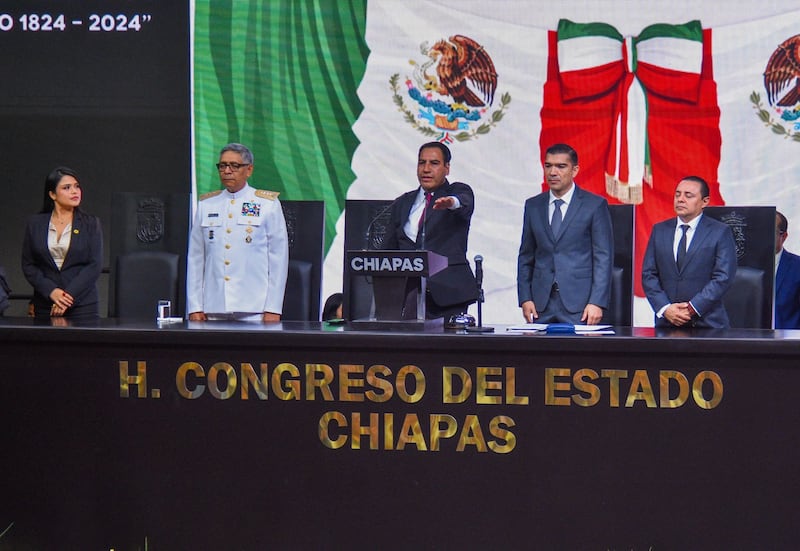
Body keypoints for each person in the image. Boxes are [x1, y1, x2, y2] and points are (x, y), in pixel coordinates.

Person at [187, 143, 289, 322]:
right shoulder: (207, 204)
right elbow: (196, 259)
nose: (227, 171)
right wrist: (195, 306)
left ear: (248, 170)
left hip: (254, 309)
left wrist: (273, 308)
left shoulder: (267, 204)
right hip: (213, 307)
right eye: (222, 166)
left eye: (234, 166)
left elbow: (278, 260)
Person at [516, 143, 613, 325]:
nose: (553, 172)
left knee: (578, 353)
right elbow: (526, 255)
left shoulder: (594, 205)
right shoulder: (533, 206)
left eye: (561, 166)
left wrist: (597, 302)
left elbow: (603, 257)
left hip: (581, 305)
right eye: (548, 166)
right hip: (540, 304)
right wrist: (525, 298)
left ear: (574, 170)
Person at [380, 142, 477, 320]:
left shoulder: (457, 191)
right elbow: (389, 247)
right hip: (408, 295)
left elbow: (464, 201)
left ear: (447, 168)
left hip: (448, 294)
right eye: (421, 162)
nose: (426, 169)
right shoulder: (402, 202)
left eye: (434, 163)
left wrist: (451, 202)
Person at [642, 176, 737, 328]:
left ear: (704, 202)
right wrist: (665, 308)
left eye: (688, 195)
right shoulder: (660, 230)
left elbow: (723, 277)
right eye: (677, 194)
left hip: (708, 324)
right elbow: (649, 275)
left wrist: (692, 308)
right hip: (667, 323)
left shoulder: (719, 232)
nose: (680, 199)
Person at [21, 167, 103, 322]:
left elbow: (94, 265)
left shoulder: (91, 223)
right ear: (52, 194)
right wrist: (52, 291)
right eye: (67, 188)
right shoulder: (35, 224)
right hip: (46, 303)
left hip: (82, 305)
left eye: (76, 186)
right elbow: (28, 265)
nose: (75, 191)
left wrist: (68, 296)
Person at [775, 211, 800, 329]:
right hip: (746, 341)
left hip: (787, 343)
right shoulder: (740, 266)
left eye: (769, 232)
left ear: (783, 236)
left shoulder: (797, 266)